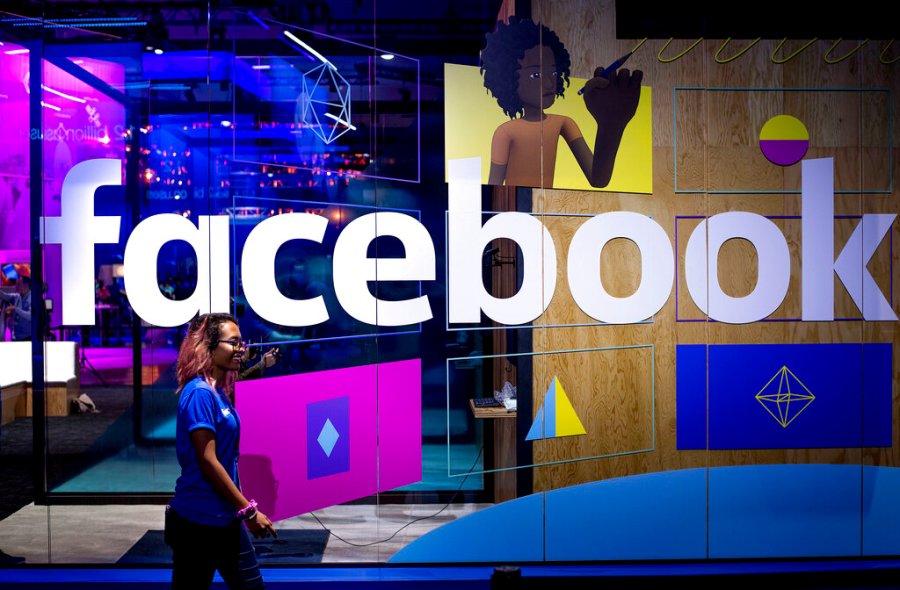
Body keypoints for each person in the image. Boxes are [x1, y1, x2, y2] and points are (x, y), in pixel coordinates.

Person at [165, 312, 276, 589]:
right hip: (197, 522)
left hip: (224, 519)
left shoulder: (217, 391)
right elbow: (208, 461)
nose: (241, 349)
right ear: (210, 347)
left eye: (242, 343)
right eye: (234, 343)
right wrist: (248, 511)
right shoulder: (200, 393)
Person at [481, 17, 642, 188]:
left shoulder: (564, 123)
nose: (550, 83)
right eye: (536, 75)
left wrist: (611, 125)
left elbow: (598, 180)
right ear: (508, 79)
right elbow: (494, 188)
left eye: (554, 74)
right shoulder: (505, 132)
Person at [0, 276, 32, 341]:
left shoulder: (32, 298)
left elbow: (31, 316)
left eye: (18, 284)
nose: (15, 286)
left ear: (26, 285)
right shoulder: (17, 297)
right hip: (17, 336)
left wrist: (15, 309)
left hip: (28, 338)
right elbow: (4, 295)